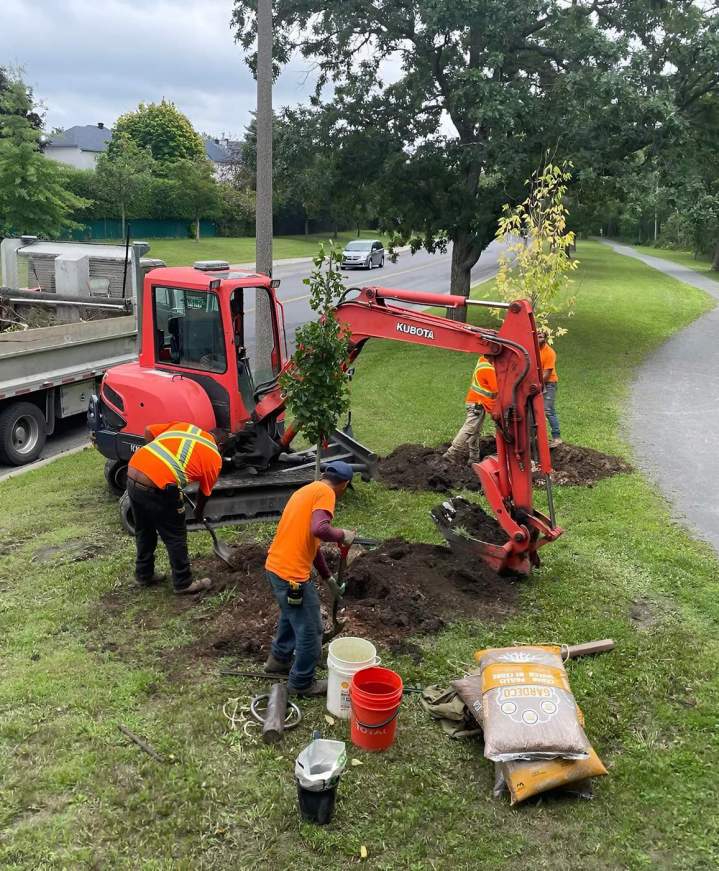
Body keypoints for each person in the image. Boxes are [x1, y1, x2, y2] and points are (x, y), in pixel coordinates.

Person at [264, 461, 356, 696]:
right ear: (344, 484)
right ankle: (302, 682)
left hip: (276, 567)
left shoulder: (306, 491)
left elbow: (312, 544)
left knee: (290, 614)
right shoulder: (326, 493)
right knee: (310, 629)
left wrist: (329, 579)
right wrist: (342, 534)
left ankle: (279, 660)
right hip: (292, 576)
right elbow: (320, 530)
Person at [126, 422, 226, 594]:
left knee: (144, 530)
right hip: (157, 486)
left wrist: (154, 464)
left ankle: (144, 574)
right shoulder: (214, 456)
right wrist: (198, 512)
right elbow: (205, 493)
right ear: (221, 445)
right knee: (175, 536)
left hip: (134, 472)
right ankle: (183, 582)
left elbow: (148, 430)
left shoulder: (185, 427)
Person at [443, 355, 498, 465]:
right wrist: (494, 411)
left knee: (475, 431)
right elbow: (496, 391)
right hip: (477, 404)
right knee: (470, 428)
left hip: (475, 402)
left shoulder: (482, 360)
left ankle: (474, 458)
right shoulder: (488, 369)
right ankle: (451, 453)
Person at [538, 332, 562, 447]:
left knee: (548, 409)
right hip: (536, 382)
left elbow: (547, 374)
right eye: (536, 336)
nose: (538, 338)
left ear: (545, 338)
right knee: (532, 410)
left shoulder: (549, 352)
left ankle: (556, 437)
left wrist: (536, 385)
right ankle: (535, 436)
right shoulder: (532, 350)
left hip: (549, 383)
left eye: (541, 336)